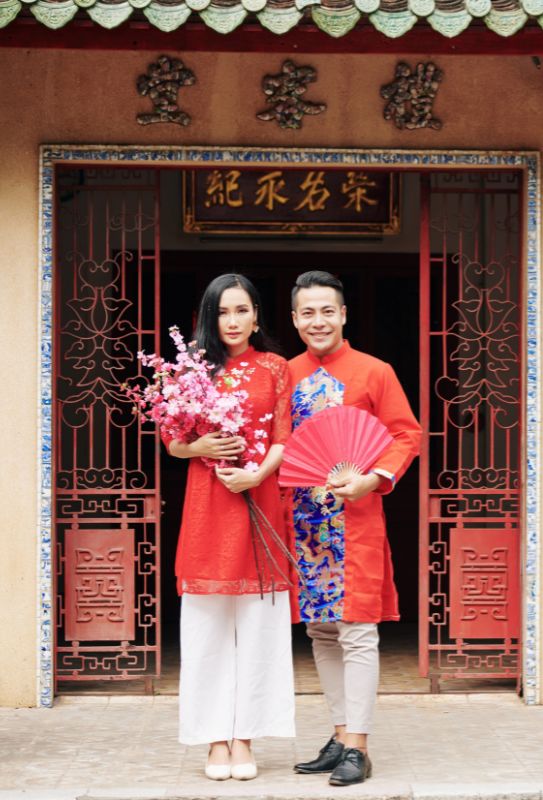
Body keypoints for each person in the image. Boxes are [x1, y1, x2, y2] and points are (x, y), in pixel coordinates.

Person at [287, 270, 421, 786]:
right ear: (296, 319)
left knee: (359, 631)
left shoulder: (375, 372)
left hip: (356, 521)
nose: (318, 321)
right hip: (301, 522)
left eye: (327, 311)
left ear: (343, 314)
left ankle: (359, 746)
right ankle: (341, 734)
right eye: (307, 312)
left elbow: (406, 434)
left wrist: (373, 479)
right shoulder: (286, 373)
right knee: (320, 629)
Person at [165, 273, 297, 782]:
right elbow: (173, 441)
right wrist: (199, 448)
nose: (233, 321)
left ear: (257, 315)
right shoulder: (192, 369)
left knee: (261, 628)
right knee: (206, 629)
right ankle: (215, 740)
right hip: (208, 509)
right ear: (209, 317)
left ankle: (246, 737)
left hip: (259, 501)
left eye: (242, 310)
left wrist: (257, 474)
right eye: (223, 312)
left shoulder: (275, 368)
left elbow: (286, 435)